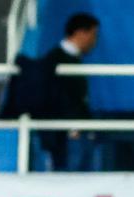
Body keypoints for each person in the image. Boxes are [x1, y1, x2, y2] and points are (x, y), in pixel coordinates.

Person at [40, 13, 99, 171]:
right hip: (67, 136)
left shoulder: (74, 60)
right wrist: (71, 126)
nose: (95, 41)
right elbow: (53, 97)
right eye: (93, 35)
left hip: (78, 132)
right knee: (68, 182)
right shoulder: (54, 60)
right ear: (80, 33)